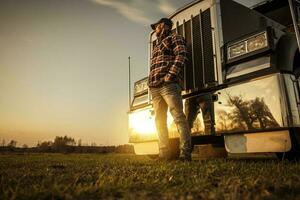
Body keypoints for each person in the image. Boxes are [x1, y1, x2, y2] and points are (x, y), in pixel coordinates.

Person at [148, 18, 192, 161]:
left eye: (157, 27)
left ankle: (185, 155)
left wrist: (170, 75)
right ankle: (164, 155)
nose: (155, 30)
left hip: (169, 85)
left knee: (179, 118)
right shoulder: (156, 46)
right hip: (154, 88)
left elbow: (181, 55)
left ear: (163, 26)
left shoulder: (175, 37)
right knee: (159, 122)